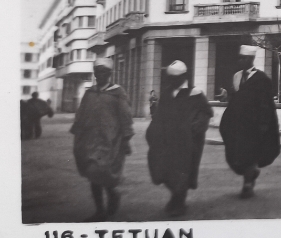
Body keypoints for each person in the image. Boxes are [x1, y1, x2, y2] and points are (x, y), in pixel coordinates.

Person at [146, 60, 214, 216]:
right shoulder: (167, 92)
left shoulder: (195, 93)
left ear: (184, 76)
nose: (172, 81)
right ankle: (176, 197)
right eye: (170, 78)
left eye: (175, 78)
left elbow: (205, 113)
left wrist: (195, 128)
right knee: (163, 168)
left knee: (183, 170)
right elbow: (159, 114)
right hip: (167, 140)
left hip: (187, 141)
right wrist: (153, 132)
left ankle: (179, 202)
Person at [70, 61, 134, 221]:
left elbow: (125, 116)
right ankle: (100, 210)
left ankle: (113, 194)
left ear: (109, 74)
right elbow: (81, 113)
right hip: (90, 140)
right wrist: (77, 132)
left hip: (110, 140)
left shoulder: (117, 92)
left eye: (104, 72)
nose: (100, 75)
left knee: (105, 172)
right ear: (95, 74)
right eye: (97, 72)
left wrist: (126, 138)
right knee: (93, 174)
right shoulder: (89, 92)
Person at [218, 45, 281, 199]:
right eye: (240, 58)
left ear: (251, 59)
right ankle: (251, 173)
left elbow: (265, 103)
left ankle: (247, 184)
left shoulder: (262, 79)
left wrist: (264, 124)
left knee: (250, 152)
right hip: (237, 122)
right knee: (236, 153)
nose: (241, 61)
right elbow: (236, 97)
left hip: (254, 123)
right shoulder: (236, 76)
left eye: (244, 58)